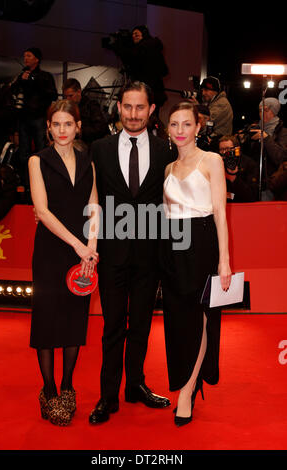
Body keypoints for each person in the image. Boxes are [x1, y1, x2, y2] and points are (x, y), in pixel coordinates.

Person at [89, 81, 174, 425]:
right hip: (111, 253)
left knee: (140, 324)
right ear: (119, 107)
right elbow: (92, 200)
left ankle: (135, 385)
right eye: (128, 107)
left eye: (141, 107)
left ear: (151, 110)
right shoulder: (99, 148)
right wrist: (91, 245)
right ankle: (107, 396)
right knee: (112, 326)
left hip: (149, 254)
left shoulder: (166, 149)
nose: (134, 114)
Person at [28, 99, 99, 426]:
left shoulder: (89, 161)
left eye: (67, 124)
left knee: (74, 319)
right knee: (47, 319)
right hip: (50, 251)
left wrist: (92, 247)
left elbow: (94, 207)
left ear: (78, 126)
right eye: (55, 124)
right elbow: (42, 212)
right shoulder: (37, 161)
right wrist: (78, 245)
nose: (61, 130)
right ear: (48, 128)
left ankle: (68, 385)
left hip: (83, 254)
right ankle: (49, 389)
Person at [160, 101, 231, 426]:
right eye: (174, 124)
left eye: (186, 124)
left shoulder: (212, 160)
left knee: (201, 317)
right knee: (177, 321)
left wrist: (225, 260)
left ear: (198, 127)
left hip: (202, 243)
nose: (180, 131)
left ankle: (187, 391)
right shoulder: (168, 169)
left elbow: (220, 212)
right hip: (172, 247)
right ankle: (188, 380)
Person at [10, 47, 58, 189]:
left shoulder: (45, 76)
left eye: (29, 55)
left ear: (37, 59)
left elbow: (52, 95)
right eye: (24, 55)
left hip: (39, 117)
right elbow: (13, 90)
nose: (25, 58)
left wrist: (32, 80)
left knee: (41, 149)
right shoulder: (22, 75)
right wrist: (22, 81)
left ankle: (43, 181)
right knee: (24, 152)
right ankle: (26, 182)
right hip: (24, 118)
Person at [245, 97, 287, 180]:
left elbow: (280, 158)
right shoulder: (254, 128)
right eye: (260, 110)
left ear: (274, 112)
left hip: (272, 179)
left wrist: (266, 138)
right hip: (253, 178)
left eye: (266, 110)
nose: (262, 113)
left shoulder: (282, 131)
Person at [62, 78, 109, 147]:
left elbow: (100, 128)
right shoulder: (68, 109)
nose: (67, 99)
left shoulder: (91, 106)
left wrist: (80, 131)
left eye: (70, 96)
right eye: (66, 96)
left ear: (78, 92)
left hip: (90, 147)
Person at [218, 135, 259, 202]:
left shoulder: (249, 164)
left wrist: (233, 178)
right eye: (222, 149)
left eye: (228, 149)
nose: (224, 152)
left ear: (237, 149)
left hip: (243, 205)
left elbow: (251, 196)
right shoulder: (218, 163)